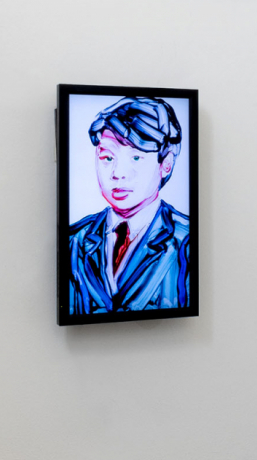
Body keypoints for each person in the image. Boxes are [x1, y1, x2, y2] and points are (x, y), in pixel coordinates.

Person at [63, 97, 191, 315]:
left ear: (166, 164)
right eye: (107, 158)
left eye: (136, 158)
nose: (117, 173)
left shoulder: (186, 241)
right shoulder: (74, 239)